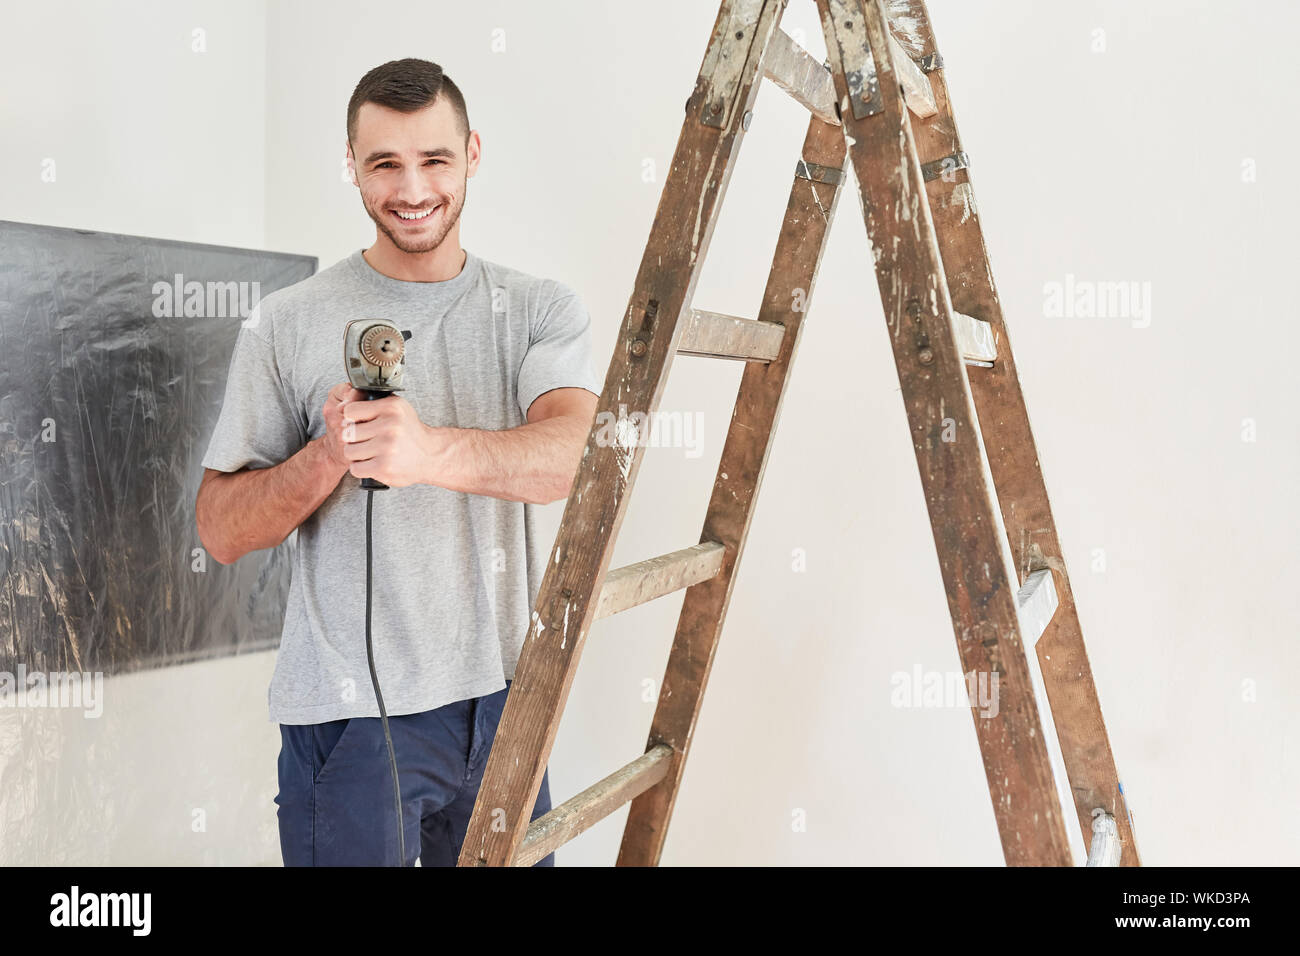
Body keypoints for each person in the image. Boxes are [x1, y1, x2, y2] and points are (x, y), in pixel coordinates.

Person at [194, 57, 601, 866]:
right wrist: (325, 458)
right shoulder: (286, 322)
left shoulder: (536, 309)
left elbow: (575, 464)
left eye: (434, 159)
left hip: (501, 707)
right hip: (347, 724)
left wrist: (426, 452)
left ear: (473, 153)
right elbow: (220, 532)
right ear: (351, 166)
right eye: (384, 163)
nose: (411, 187)